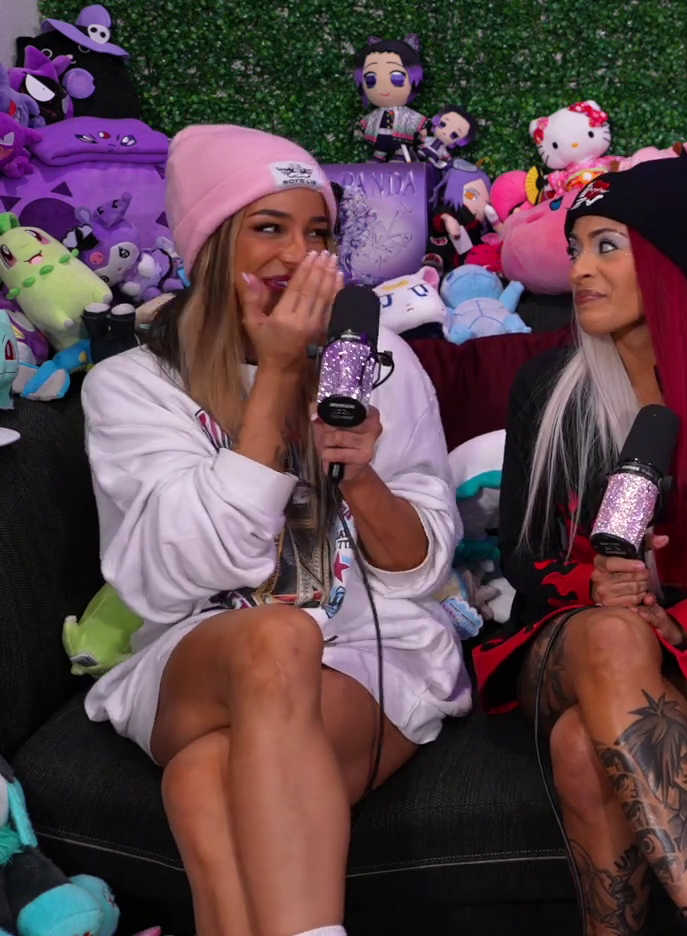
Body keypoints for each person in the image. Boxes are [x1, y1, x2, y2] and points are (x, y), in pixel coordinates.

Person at [81, 126, 470, 936]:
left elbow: (422, 570)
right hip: (199, 652)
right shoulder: (132, 386)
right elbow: (184, 572)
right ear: (211, 245)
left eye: (317, 232)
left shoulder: (380, 360)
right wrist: (281, 376)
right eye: (269, 227)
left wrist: (359, 473)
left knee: (203, 778)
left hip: (365, 647)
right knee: (276, 638)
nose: (299, 255)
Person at [468, 155, 687, 936]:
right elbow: (522, 553)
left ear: (668, 263)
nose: (580, 271)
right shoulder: (544, 388)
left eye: (606, 247)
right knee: (611, 634)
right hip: (574, 634)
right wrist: (595, 590)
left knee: (580, 747)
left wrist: (681, 620)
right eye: (575, 250)